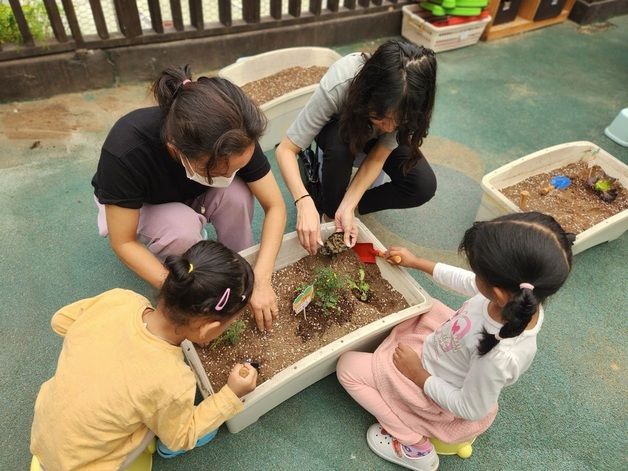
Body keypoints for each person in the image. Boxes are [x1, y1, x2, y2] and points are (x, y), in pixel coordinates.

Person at [337, 212, 574, 470]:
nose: (473, 276)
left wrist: (417, 374)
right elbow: (465, 281)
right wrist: (417, 262)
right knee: (422, 309)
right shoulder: (521, 300)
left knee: (348, 367)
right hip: (445, 348)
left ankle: (414, 446)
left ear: (497, 292)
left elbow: (469, 408)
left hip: (433, 392)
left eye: (478, 271)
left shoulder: (498, 356)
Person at [30, 240, 258, 469]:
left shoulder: (120, 299)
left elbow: (59, 321)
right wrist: (230, 394)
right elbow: (181, 436)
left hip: (43, 434)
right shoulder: (172, 381)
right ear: (207, 329)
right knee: (166, 423)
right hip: (85, 465)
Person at [92, 65, 286, 331]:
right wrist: (182, 295)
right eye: (222, 170)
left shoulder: (236, 134)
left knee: (238, 194)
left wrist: (261, 279)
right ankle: (193, 280)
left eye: (239, 167)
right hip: (138, 207)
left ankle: (239, 272)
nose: (232, 174)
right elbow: (123, 241)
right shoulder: (127, 149)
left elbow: (275, 206)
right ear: (176, 150)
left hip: (192, 190)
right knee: (180, 228)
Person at [275, 40, 437, 254]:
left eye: (398, 122)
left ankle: (341, 209)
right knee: (340, 144)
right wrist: (303, 201)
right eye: (382, 117)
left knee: (422, 185)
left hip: (369, 140)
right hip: (340, 131)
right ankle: (330, 214)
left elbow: (379, 157)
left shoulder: (413, 101)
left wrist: (349, 205)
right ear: (369, 95)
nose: (389, 128)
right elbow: (286, 149)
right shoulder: (341, 82)